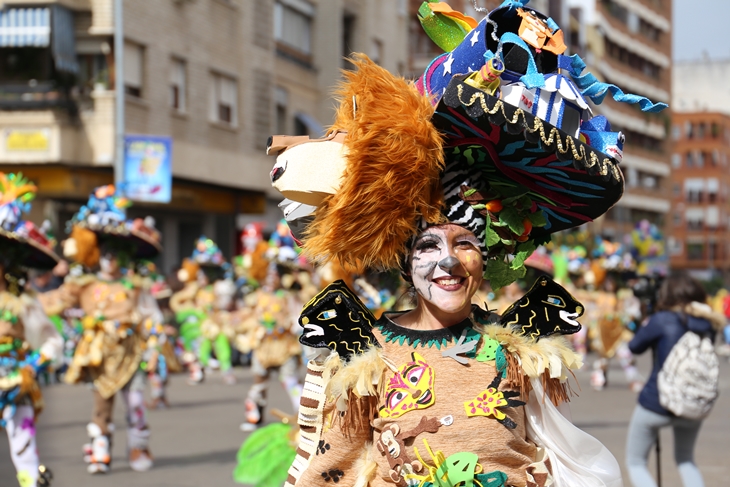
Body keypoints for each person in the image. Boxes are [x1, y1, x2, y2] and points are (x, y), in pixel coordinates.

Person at [252, 0, 669, 483]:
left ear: (486, 258)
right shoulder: (360, 354)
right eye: (428, 246)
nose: (448, 261)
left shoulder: (516, 351)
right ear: (405, 263)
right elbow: (328, 470)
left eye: (466, 243)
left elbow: (551, 459)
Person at [44, 185, 163, 474]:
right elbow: (53, 303)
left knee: (135, 401)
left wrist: (154, 347)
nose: (109, 259)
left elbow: (152, 316)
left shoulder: (134, 285)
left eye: (114, 253)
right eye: (104, 253)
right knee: (102, 405)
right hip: (99, 353)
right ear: (96, 254)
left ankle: (138, 444)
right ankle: (101, 447)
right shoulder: (82, 284)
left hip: (130, 349)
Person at [625, 274, 724, 487]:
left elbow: (634, 347)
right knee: (686, 459)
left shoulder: (662, 319)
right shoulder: (708, 324)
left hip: (656, 403)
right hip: (692, 402)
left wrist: (649, 318)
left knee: (636, 462)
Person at [0, 173, 62, 487]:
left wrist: (35, 363)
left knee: (24, 449)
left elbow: (52, 339)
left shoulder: (22, 303)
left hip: (14, 378)